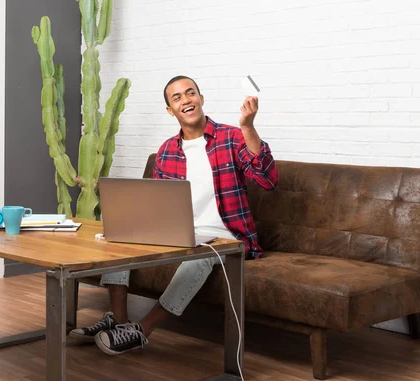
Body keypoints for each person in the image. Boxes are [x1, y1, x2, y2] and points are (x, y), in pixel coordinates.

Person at [69, 75, 278, 355]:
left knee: (198, 259)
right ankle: (118, 321)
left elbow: (267, 180)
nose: (186, 100)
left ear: (201, 100)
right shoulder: (167, 151)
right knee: (119, 240)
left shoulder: (232, 137)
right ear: (170, 110)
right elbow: (159, 204)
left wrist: (248, 127)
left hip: (224, 238)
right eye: (177, 97)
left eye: (190, 93)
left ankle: (142, 330)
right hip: (180, 234)